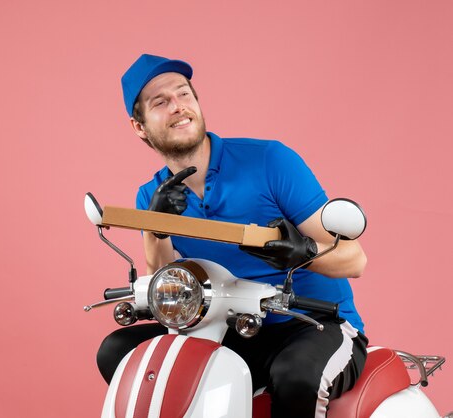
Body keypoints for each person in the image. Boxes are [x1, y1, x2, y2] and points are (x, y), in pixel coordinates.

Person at [97, 53, 368, 418]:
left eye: (184, 94)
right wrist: (156, 226)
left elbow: (355, 260)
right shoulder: (150, 196)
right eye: (161, 102)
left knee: (295, 374)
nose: (178, 107)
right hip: (229, 329)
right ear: (139, 126)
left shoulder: (270, 161)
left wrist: (301, 252)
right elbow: (164, 294)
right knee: (119, 351)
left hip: (312, 324)